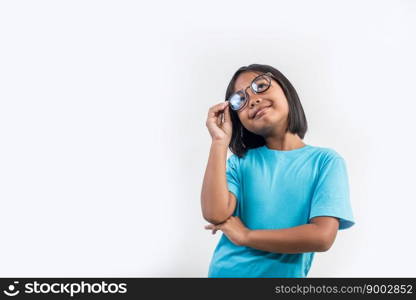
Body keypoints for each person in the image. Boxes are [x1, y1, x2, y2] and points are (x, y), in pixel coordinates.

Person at [200, 63, 355, 278]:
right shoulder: (241, 163)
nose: (253, 100)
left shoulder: (325, 162)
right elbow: (215, 214)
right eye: (239, 100)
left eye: (261, 85)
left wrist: (246, 236)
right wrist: (219, 142)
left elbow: (322, 236)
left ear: (285, 89)